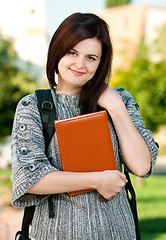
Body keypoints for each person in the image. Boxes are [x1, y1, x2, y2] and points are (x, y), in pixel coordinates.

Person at [11, 13, 159, 240]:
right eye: (72, 52)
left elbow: (141, 166)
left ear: (101, 63)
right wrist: (97, 180)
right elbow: (31, 178)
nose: (80, 64)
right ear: (57, 50)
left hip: (119, 233)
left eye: (91, 57)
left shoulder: (120, 101)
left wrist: (116, 108)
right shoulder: (33, 107)